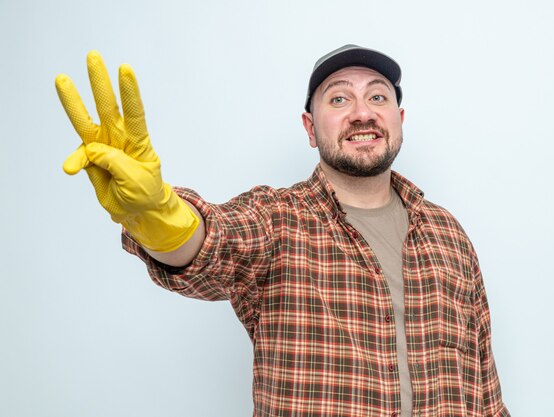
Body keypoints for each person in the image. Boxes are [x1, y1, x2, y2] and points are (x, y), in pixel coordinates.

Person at [56, 44, 510, 417]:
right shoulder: (277, 219)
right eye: (338, 98)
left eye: (378, 97)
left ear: (398, 120)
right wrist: (162, 216)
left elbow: (486, 393)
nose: (361, 113)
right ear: (311, 129)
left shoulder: (448, 235)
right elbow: (215, 242)